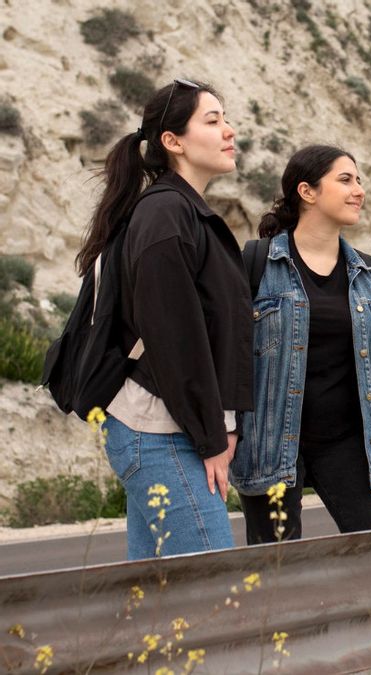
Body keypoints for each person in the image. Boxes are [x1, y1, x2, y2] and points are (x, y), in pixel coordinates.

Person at [231, 145, 371, 675]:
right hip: (273, 447)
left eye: (360, 178)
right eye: (345, 179)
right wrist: (226, 435)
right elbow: (230, 360)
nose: (359, 188)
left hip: (354, 448)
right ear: (307, 192)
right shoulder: (256, 263)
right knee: (277, 595)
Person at [75, 79, 251, 560]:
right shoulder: (166, 215)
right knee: (212, 592)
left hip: (170, 428)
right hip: (161, 432)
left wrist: (223, 423)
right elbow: (175, 338)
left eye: (226, 118)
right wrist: (213, 436)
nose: (229, 131)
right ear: (173, 142)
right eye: (212, 121)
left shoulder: (183, 213)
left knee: (160, 605)